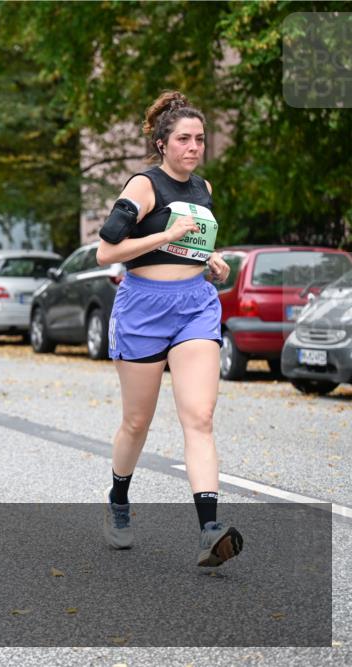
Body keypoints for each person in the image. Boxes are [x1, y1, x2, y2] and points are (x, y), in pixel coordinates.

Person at [95, 90, 239, 567]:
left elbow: (191, 247)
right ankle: (119, 501)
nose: (194, 147)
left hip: (196, 305)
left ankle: (209, 530)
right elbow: (107, 251)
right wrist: (165, 235)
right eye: (183, 139)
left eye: (199, 139)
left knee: (199, 417)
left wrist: (209, 259)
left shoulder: (204, 189)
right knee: (137, 421)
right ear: (162, 143)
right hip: (143, 308)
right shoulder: (144, 186)